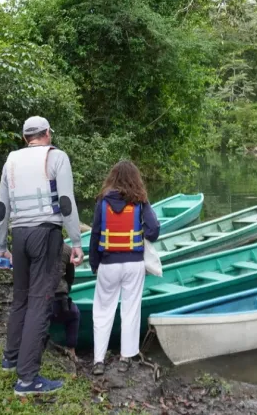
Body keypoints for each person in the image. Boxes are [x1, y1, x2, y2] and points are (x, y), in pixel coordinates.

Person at [0, 116, 84, 396]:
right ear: (47, 133)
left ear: (25, 138)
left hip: (18, 236)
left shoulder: (10, 161)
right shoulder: (56, 157)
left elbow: (1, 208)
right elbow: (66, 203)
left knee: (20, 298)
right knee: (39, 303)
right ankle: (27, 380)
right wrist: (77, 242)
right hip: (45, 234)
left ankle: (11, 359)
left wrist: (0, 246)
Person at [89, 160, 160, 377]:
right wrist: (142, 235)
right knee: (130, 310)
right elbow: (154, 230)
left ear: (113, 177)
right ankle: (124, 358)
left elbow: (95, 234)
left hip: (108, 263)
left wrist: (94, 264)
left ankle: (98, 361)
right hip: (133, 263)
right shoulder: (140, 201)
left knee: (102, 311)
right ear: (135, 179)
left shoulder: (103, 201)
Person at [50, 244, 80, 349]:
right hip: (58, 299)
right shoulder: (66, 249)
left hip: (38, 297)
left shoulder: (34, 246)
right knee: (74, 314)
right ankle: (71, 350)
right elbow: (70, 277)